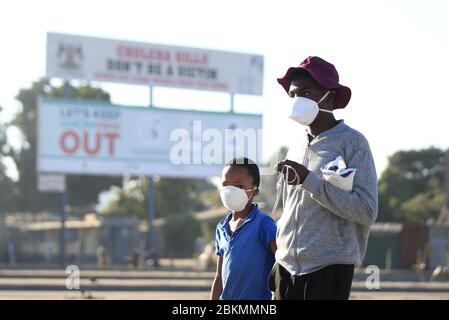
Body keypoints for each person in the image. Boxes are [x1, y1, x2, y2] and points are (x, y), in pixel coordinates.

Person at [270, 56, 378, 300]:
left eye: (306, 92)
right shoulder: (296, 146)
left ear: (329, 95)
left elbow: (366, 211)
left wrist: (310, 180)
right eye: (293, 95)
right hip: (285, 267)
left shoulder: (353, 143)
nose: (298, 100)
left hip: (328, 268)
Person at [211, 157, 277, 300]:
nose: (230, 191)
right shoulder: (221, 228)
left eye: (239, 186)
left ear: (255, 191)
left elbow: (282, 262)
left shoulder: (263, 223)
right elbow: (219, 276)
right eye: (226, 185)